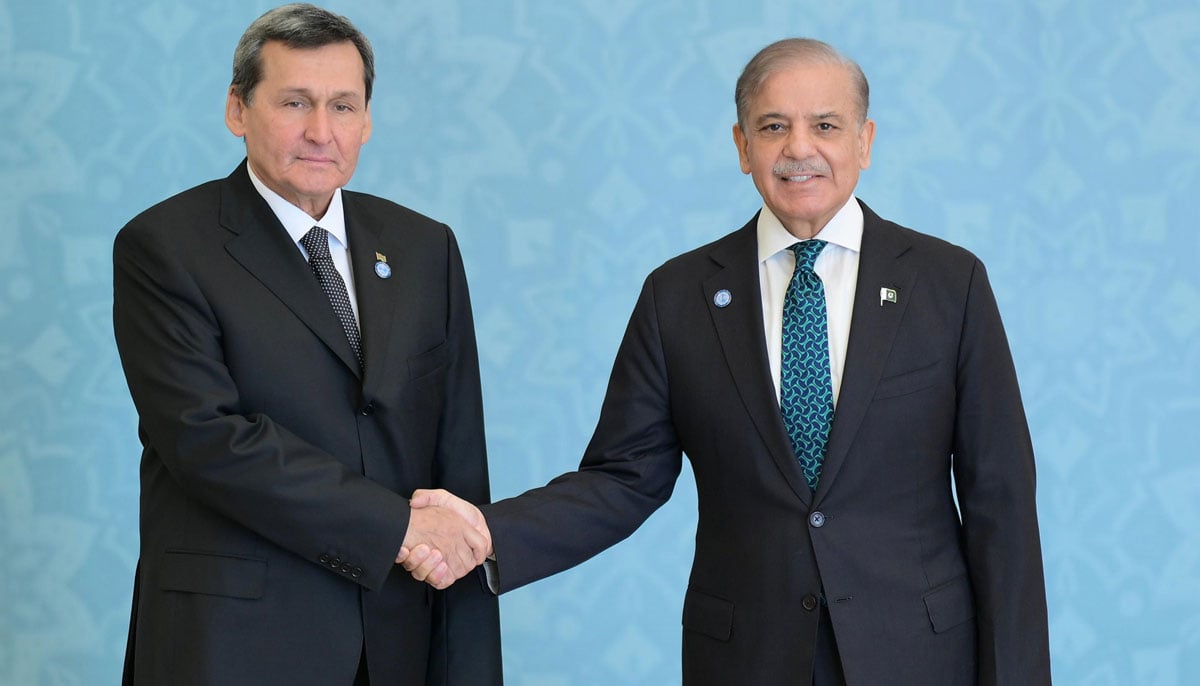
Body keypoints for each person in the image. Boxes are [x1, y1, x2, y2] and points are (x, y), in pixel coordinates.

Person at [402, 37, 1051, 685]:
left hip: (917, 655)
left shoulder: (949, 283)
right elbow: (623, 478)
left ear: (865, 141)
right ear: (743, 146)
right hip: (746, 658)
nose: (799, 148)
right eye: (774, 127)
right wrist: (489, 532)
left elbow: (1001, 501)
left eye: (825, 125)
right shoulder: (677, 295)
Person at [112, 4, 499, 684]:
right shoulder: (165, 247)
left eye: (343, 107)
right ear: (238, 109)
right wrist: (395, 528)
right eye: (295, 102)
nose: (322, 132)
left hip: (397, 637)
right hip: (233, 645)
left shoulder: (423, 248)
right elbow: (207, 440)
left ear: (368, 121)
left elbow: (456, 459)